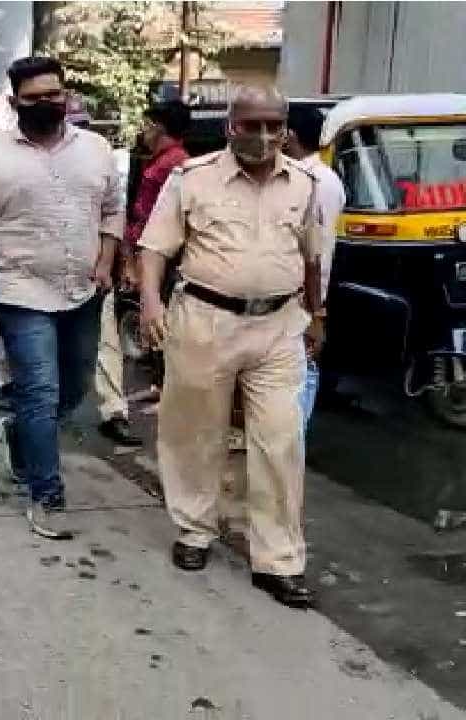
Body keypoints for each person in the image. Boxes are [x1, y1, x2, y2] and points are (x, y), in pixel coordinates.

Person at [138, 85, 324, 608]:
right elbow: (153, 249)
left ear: (285, 129)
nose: (264, 137)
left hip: (279, 326)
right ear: (230, 127)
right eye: (252, 126)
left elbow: (312, 257)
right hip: (205, 320)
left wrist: (317, 316)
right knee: (196, 432)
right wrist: (150, 303)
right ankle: (195, 530)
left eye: (273, 126)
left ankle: (278, 560)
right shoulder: (191, 179)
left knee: (280, 442)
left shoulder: (305, 183)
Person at [0, 56, 123, 539]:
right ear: (15, 103)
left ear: (66, 96)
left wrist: (107, 261)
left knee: (75, 386)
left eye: (54, 94)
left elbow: (112, 210)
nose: (47, 103)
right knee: (40, 391)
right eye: (35, 98)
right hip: (20, 291)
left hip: (83, 290)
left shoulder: (96, 149)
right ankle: (46, 494)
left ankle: (19, 434)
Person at [95, 101, 192, 442]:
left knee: (146, 331)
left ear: (159, 127)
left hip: (153, 264)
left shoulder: (173, 166)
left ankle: (126, 405)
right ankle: (129, 402)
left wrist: (134, 264)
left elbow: (153, 225)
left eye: (147, 125)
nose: (142, 132)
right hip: (144, 261)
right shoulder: (160, 162)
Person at [284, 103, 344, 426]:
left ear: (290, 135)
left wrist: (314, 308)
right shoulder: (330, 179)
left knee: (300, 373)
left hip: (300, 294)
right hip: (311, 293)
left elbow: (312, 252)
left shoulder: (304, 179)